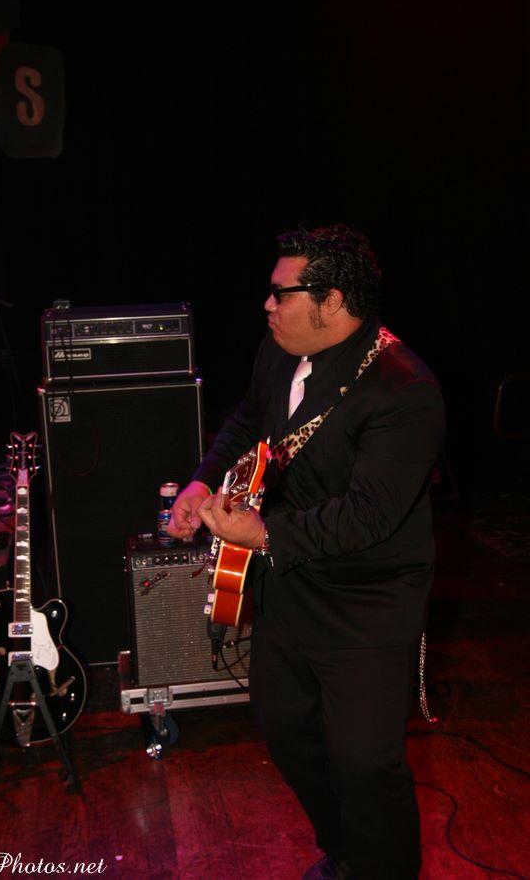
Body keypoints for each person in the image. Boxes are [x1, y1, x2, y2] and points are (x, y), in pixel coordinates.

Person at [168, 224, 445, 880]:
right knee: (288, 733)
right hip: (288, 586)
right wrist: (203, 481)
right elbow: (248, 419)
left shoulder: (404, 388)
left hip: (366, 602)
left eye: (280, 293)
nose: (267, 305)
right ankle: (346, 854)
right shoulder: (279, 349)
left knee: (365, 762)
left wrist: (263, 535)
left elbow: (369, 515)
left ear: (333, 300)